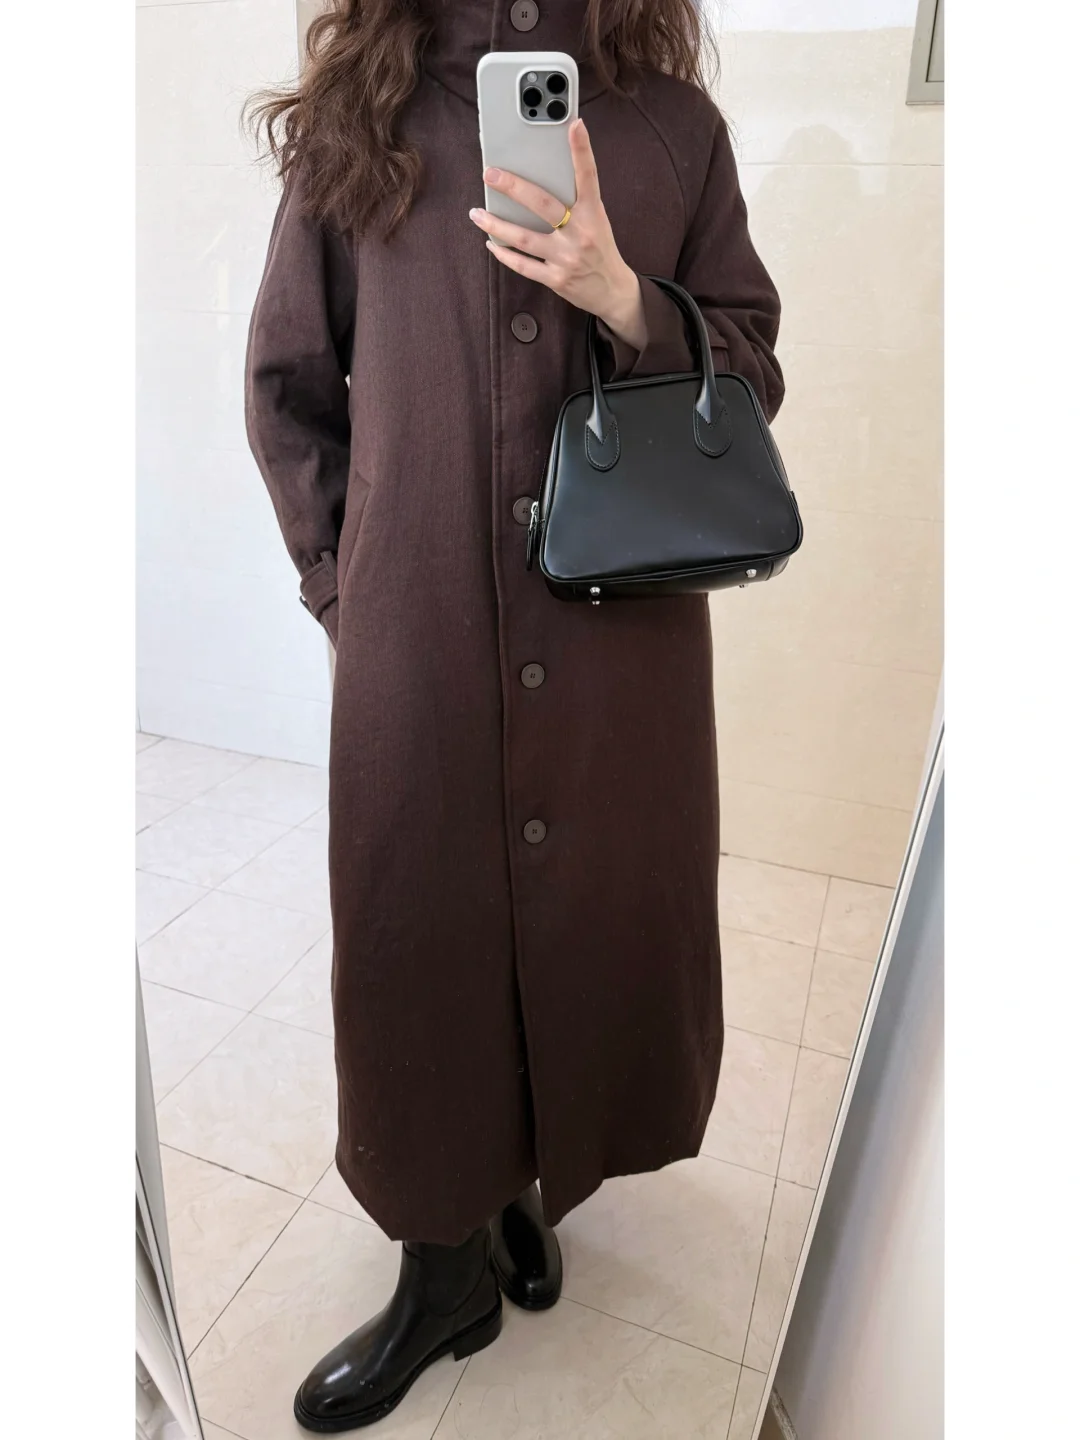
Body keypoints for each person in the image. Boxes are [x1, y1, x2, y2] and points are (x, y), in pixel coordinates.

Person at [245, 0, 782, 1428]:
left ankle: (525, 1179)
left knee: (591, 917)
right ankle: (444, 1268)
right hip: (417, 638)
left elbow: (753, 365)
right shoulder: (359, 121)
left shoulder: (672, 129)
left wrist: (626, 298)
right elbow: (288, 386)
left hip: (621, 651)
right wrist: (350, 594)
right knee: (421, 939)